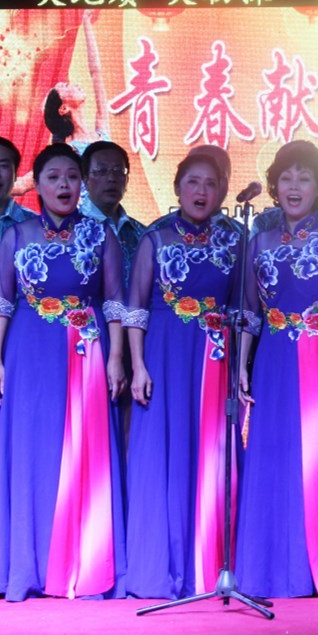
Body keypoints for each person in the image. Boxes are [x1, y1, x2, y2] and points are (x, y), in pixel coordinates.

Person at [0, 144, 128, 600]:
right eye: (53, 177)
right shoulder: (17, 235)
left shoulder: (101, 235)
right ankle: (28, 565)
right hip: (28, 352)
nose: (64, 185)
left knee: (84, 451)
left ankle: (82, 562)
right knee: (30, 452)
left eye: (72, 177)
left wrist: (116, 358)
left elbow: (115, 302)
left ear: (82, 184)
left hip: (86, 351)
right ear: (37, 186)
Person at [233, 140, 318, 598]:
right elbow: (249, 312)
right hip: (273, 360)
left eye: (304, 178)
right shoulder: (259, 242)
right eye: (286, 178)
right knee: (274, 457)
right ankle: (272, 571)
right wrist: (241, 364)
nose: (294, 187)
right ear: (274, 186)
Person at [123, 146, 246, 599]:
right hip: (163, 354)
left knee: (211, 454)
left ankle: (208, 566)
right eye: (193, 182)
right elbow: (135, 309)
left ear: (222, 193)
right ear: (177, 188)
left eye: (211, 184)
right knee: (163, 453)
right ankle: (159, 569)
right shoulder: (155, 238)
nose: (201, 191)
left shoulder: (236, 240)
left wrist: (240, 367)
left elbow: (244, 307)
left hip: (214, 357)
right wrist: (138, 365)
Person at [80, 139, 146, 288]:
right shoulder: (70, 232)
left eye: (118, 171)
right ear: (85, 180)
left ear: (127, 180)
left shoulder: (143, 234)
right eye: (101, 171)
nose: (111, 179)